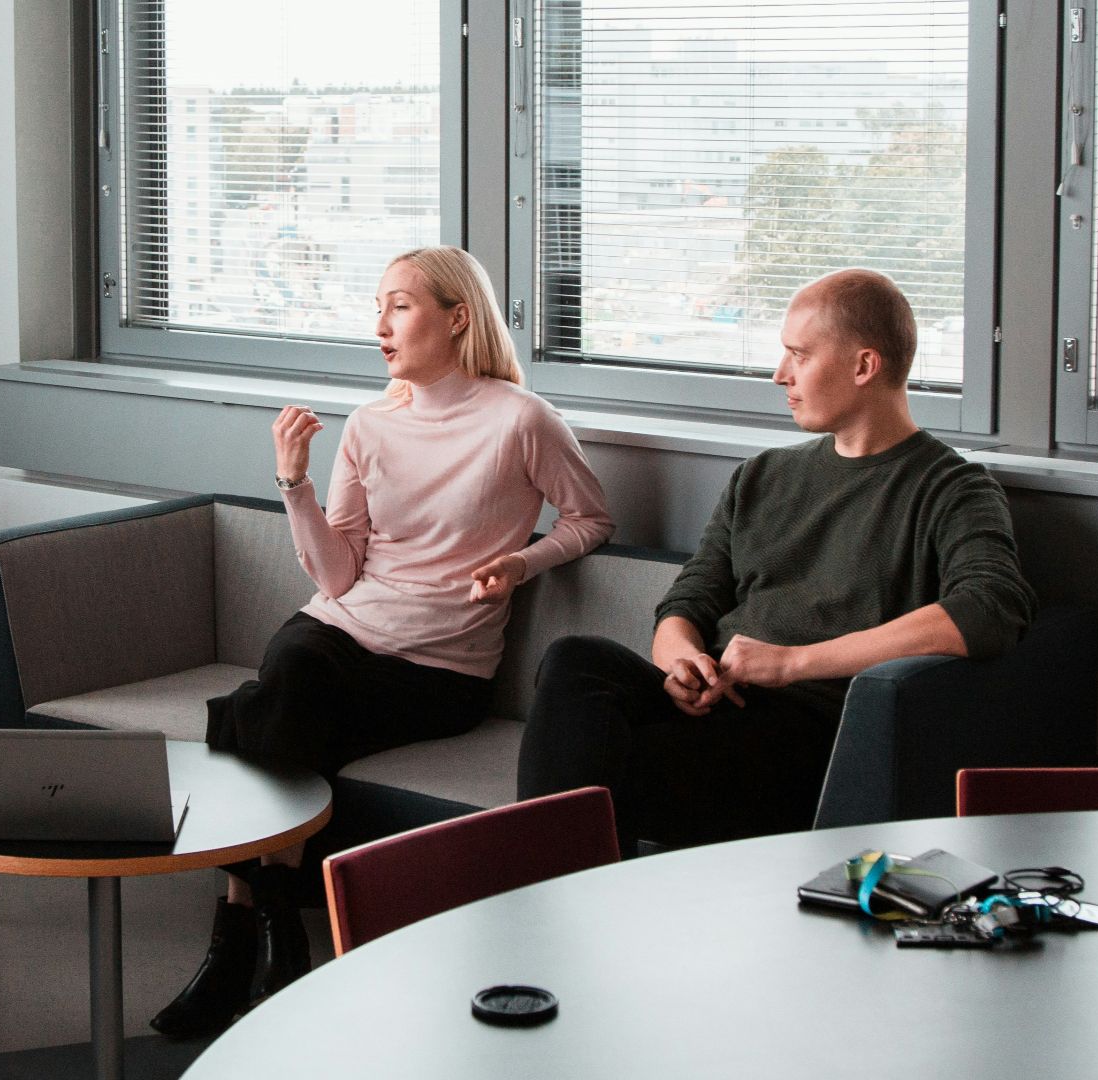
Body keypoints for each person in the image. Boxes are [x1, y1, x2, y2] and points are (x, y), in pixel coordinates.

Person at [151, 247, 614, 1038]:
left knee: (254, 713)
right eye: (377, 306)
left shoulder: (521, 422)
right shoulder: (370, 424)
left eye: (399, 305)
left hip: (439, 667)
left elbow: (592, 519)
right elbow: (335, 578)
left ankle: (240, 944)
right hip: (342, 630)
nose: (380, 324)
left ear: (458, 316)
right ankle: (270, 935)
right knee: (289, 679)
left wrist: (521, 561)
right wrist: (293, 481)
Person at [517, 269, 1036, 853]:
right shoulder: (763, 476)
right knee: (576, 662)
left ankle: (535, 889)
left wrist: (791, 664)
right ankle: (547, 880)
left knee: (589, 782)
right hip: (712, 706)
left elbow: (989, 609)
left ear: (864, 367)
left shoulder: (952, 488)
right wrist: (682, 662)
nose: (779, 374)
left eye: (798, 355)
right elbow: (689, 600)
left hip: (805, 732)